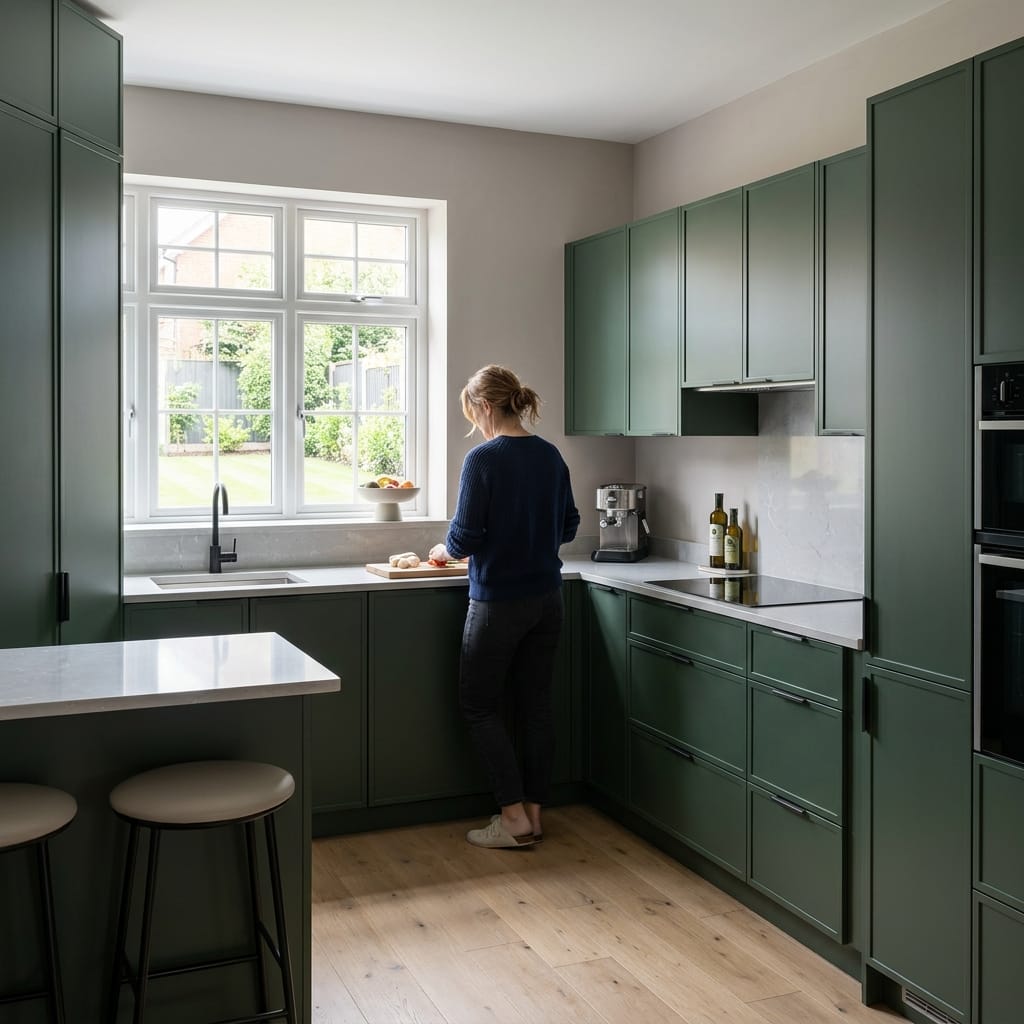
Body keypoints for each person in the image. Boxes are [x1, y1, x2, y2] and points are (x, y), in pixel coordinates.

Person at [430, 364, 579, 849]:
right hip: (547, 600)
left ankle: (511, 817)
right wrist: (527, 539)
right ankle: (534, 814)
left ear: (486, 407)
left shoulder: (484, 459)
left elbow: (466, 535)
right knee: (536, 707)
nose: (474, 421)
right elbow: (570, 526)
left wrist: (443, 552)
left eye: (473, 411)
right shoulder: (550, 455)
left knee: (478, 705)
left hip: (497, 603)